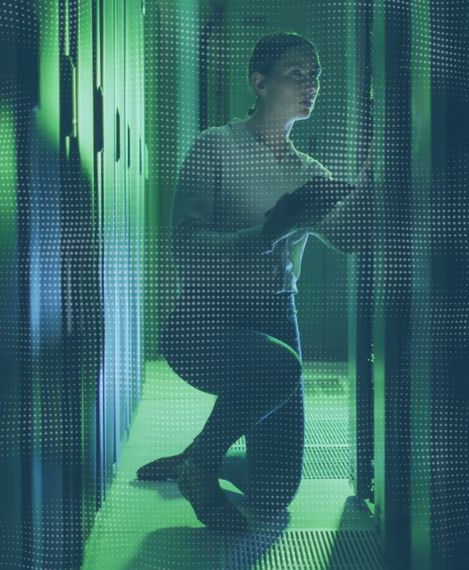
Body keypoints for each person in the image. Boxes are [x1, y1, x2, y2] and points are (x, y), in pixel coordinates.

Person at [143, 32, 367, 532]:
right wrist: (268, 233)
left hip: (275, 314)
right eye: (296, 74)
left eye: (315, 75)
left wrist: (376, 174)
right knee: (280, 369)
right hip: (206, 319)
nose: (310, 84)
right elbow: (186, 246)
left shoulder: (309, 172)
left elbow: (350, 239)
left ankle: (199, 456)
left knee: (276, 492)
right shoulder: (215, 147)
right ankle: (201, 467)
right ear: (259, 82)